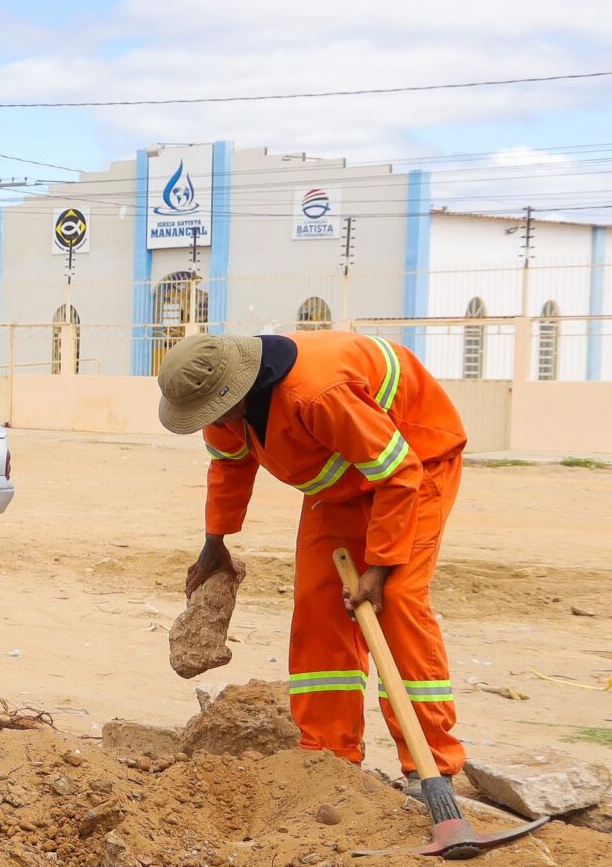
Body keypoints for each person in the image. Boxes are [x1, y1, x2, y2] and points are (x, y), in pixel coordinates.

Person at [157, 330, 472, 815]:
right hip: (345, 480)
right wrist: (214, 542)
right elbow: (229, 466)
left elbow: (398, 473)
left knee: (399, 603)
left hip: (414, 464)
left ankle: (432, 767)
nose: (209, 423)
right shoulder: (224, 404)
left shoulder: (318, 394)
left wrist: (382, 567)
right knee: (318, 606)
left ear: (235, 392)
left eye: (211, 413)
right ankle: (328, 756)